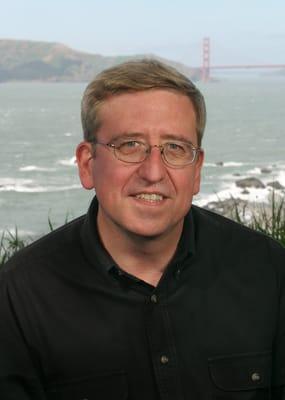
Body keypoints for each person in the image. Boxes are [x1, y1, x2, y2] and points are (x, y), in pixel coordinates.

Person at [0, 59, 284, 400]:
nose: (153, 172)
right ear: (88, 165)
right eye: (129, 145)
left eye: (176, 148)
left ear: (196, 171)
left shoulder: (270, 272)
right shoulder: (17, 298)